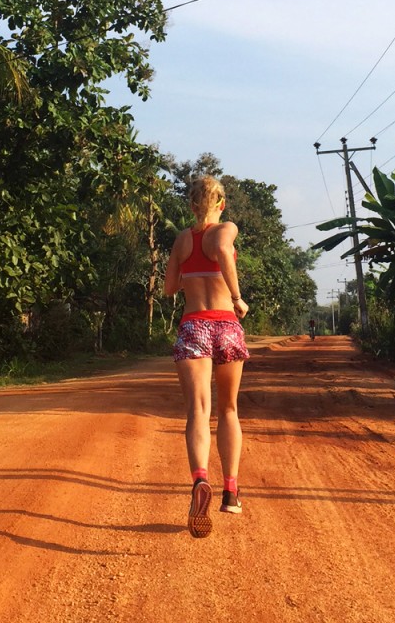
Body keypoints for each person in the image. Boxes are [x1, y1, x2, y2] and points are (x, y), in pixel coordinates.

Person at [164, 175, 250, 539]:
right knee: (228, 409)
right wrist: (237, 297)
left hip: (193, 325)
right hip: (226, 323)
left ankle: (200, 479)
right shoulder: (226, 228)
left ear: (191, 205)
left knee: (198, 411)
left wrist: (189, 272)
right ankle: (230, 492)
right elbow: (224, 252)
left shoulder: (182, 240)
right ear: (221, 204)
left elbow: (169, 288)